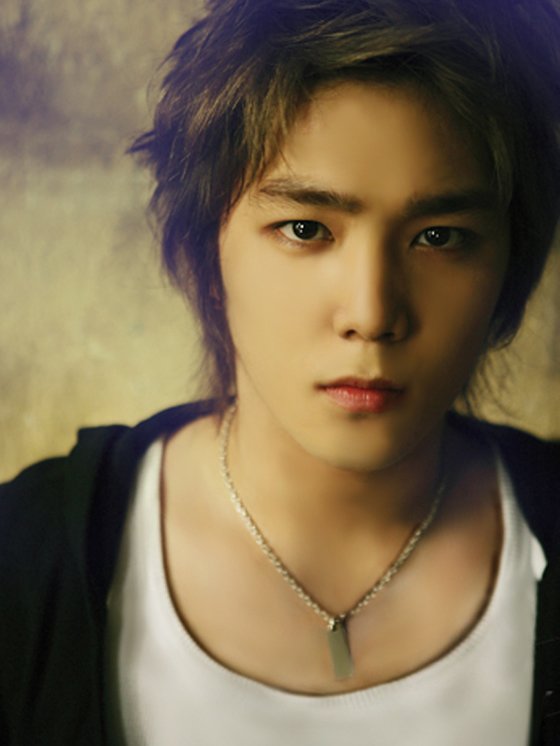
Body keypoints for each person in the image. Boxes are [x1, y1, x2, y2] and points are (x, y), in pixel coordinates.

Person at [1, 0, 559, 744]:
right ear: (206, 256)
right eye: (305, 229)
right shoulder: (25, 565)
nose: (372, 312)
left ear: (509, 269)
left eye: (439, 237)